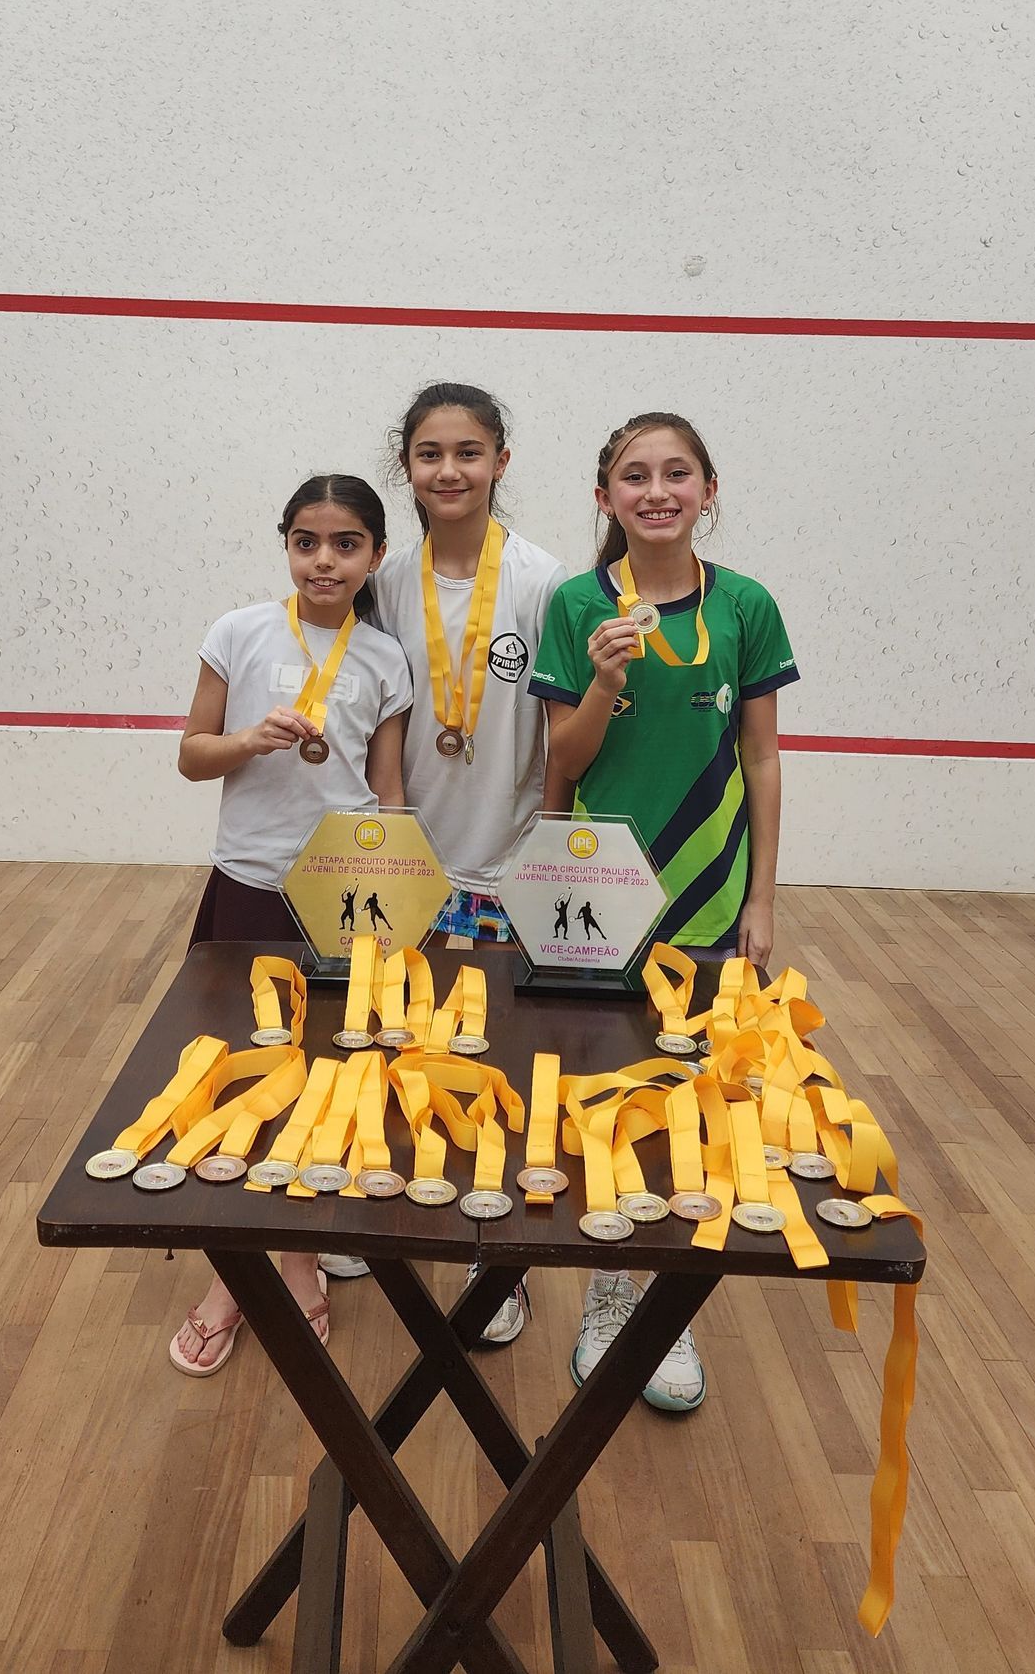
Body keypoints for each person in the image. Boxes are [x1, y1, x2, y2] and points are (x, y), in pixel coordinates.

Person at [531, 411, 799, 1414]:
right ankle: (608, 1287)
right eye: (632, 475)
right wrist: (602, 677)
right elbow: (562, 759)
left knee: (689, 1098)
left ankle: (660, 1308)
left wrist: (762, 897)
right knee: (600, 1092)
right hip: (599, 897)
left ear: (706, 487)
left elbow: (762, 756)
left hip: (710, 897)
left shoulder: (745, 605)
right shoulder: (571, 604)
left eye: (674, 471)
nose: (654, 489)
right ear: (604, 497)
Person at [168, 475, 411, 1376]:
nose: (325, 560)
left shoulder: (385, 659)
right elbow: (192, 757)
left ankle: (299, 1261)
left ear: (375, 556)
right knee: (238, 1076)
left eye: (346, 544)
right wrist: (247, 742)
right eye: (307, 541)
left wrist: (395, 895)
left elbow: (388, 794)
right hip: (248, 887)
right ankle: (236, 1276)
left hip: (343, 897)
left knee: (324, 1077)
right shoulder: (238, 632)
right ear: (286, 546)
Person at [373, 381, 568, 1345]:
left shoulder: (542, 580)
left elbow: (562, 731)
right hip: (411, 867)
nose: (448, 470)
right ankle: (393, 1216)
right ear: (405, 467)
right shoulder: (383, 578)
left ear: (500, 461)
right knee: (405, 1048)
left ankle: (497, 1261)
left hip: (507, 865)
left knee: (496, 1070)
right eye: (428, 454)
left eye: (468, 452)